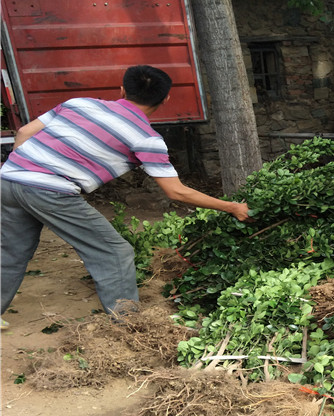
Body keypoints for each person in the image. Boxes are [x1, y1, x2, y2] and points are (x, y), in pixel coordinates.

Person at [1, 65, 251, 319]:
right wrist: (233, 207)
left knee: (10, 253)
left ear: (122, 90)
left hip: (8, 180)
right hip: (50, 191)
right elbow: (177, 192)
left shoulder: (78, 103)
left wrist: (20, 168)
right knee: (114, 252)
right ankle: (128, 324)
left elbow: (23, 132)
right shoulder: (146, 138)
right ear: (165, 99)